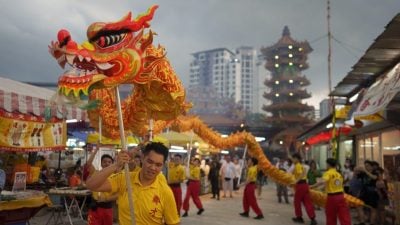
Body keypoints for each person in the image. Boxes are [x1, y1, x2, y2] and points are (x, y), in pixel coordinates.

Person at [86, 142, 180, 225]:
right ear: (142, 158)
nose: (153, 168)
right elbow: (91, 185)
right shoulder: (124, 178)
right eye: (150, 161)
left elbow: (173, 222)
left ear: (163, 165)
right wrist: (116, 165)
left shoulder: (165, 192)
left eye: (158, 165)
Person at [312, 158, 351, 225]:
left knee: (331, 215)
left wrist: (312, 186)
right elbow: (340, 186)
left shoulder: (328, 173)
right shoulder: (339, 174)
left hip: (332, 198)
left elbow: (322, 181)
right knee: (344, 215)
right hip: (341, 196)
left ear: (328, 164)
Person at [87, 154, 118, 225]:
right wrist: (96, 150)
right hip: (94, 207)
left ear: (112, 164)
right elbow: (89, 163)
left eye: (109, 162)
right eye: (104, 162)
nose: (107, 163)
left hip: (107, 208)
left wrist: (106, 199)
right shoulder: (96, 173)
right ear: (101, 163)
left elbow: (118, 194)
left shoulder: (116, 177)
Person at [290, 153, 317, 225]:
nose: (292, 160)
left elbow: (302, 174)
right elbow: (303, 172)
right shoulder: (300, 165)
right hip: (305, 185)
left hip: (300, 185)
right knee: (307, 202)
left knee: (297, 201)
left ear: (297, 159)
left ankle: (299, 217)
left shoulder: (298, 166)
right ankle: (312, 218)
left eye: (293, 158)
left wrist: (296, 181)